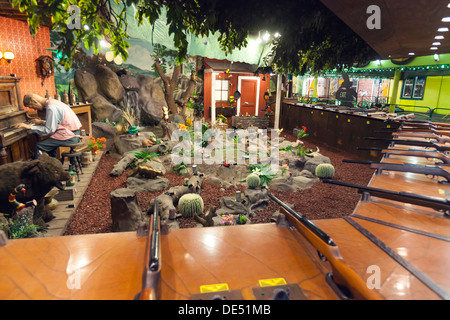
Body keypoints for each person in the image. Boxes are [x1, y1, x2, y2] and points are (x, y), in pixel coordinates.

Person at [14, 93, 82, 158]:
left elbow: (49, 130)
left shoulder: (51, 108)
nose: (34, 109)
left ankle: (41, 169)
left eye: (32, 106)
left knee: (39, 146)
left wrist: (29, 127)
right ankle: (53, 166)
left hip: (70, 136)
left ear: (34, 101)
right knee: (50, 145)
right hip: (74, 133)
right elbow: (57, 122)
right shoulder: (53, 102)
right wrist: (42, 122)